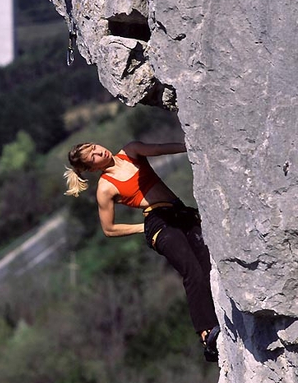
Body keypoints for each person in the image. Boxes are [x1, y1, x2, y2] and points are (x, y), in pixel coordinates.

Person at [64, 140, 220, 362]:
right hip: (158, 223)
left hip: (181, 213)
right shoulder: (105, 188)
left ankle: (219, 319)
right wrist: (144, 228)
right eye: (93, 157)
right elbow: (109, 229)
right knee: (192, 271)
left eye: (94, 147)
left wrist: (194, 143)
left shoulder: (131, 151)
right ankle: (206, 333)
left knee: (209, 267)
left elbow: (160, 149)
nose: (99, 151)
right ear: (92, 168)